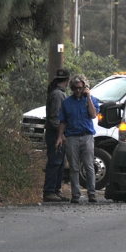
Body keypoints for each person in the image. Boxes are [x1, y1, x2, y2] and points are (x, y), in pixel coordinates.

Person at [56, 74, 100, 203]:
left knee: (89, 166)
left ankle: (92, 193)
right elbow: (63, 121)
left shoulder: (91, 100)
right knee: (74, 167)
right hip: (71, 137)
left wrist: (89, 97)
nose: (78, 91)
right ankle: (76, 194)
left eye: (80, 88)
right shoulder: (67, 102)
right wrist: (60, 136)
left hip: (87, 136)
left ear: (85, 87)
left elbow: (93, 115)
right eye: (75, 88)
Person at [43, 68, 71, 202]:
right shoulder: (58, 95)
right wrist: (61, 133)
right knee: (55, 162)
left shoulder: (58, 93)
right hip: (55, 134)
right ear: (68, 79)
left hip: (57, 133)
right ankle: (49, 191)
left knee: (59, 162)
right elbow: (54, 118)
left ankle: (56, 190)